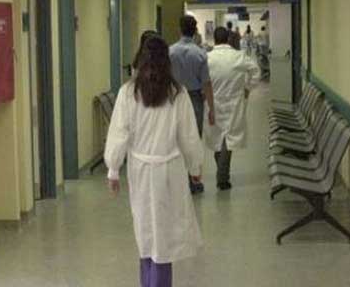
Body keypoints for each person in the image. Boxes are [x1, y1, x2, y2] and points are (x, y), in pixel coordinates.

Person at [104, 36, 204, 287]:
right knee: (163, 239)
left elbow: (118, 133)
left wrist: (113, 169)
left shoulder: (128, 93)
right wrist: (195, 167)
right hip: (169, 172)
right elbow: (189, 136)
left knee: (146, 233)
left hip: (140, 171)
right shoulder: (177, 93)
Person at [203, 27, 261, 190]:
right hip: (234, 103)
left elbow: (201, 79)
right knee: (227, 139)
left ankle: (222, 174)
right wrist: (248, 88)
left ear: (214, 39)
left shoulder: (207, 58)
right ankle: (222, 177)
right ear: (228, 39)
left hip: (213, 103)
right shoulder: (238, 56)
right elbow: (256, 71)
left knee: (218, 139)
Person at [170, 15, 215, 194]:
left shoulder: (170, 52)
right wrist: (211, 108)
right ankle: (193, 180)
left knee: (175, 137)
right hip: (195, 98)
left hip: (174, 97)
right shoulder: (200, 53)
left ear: (179, 30)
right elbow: (206, 83)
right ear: (195, 31)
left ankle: (177, 181)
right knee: (193, 138)